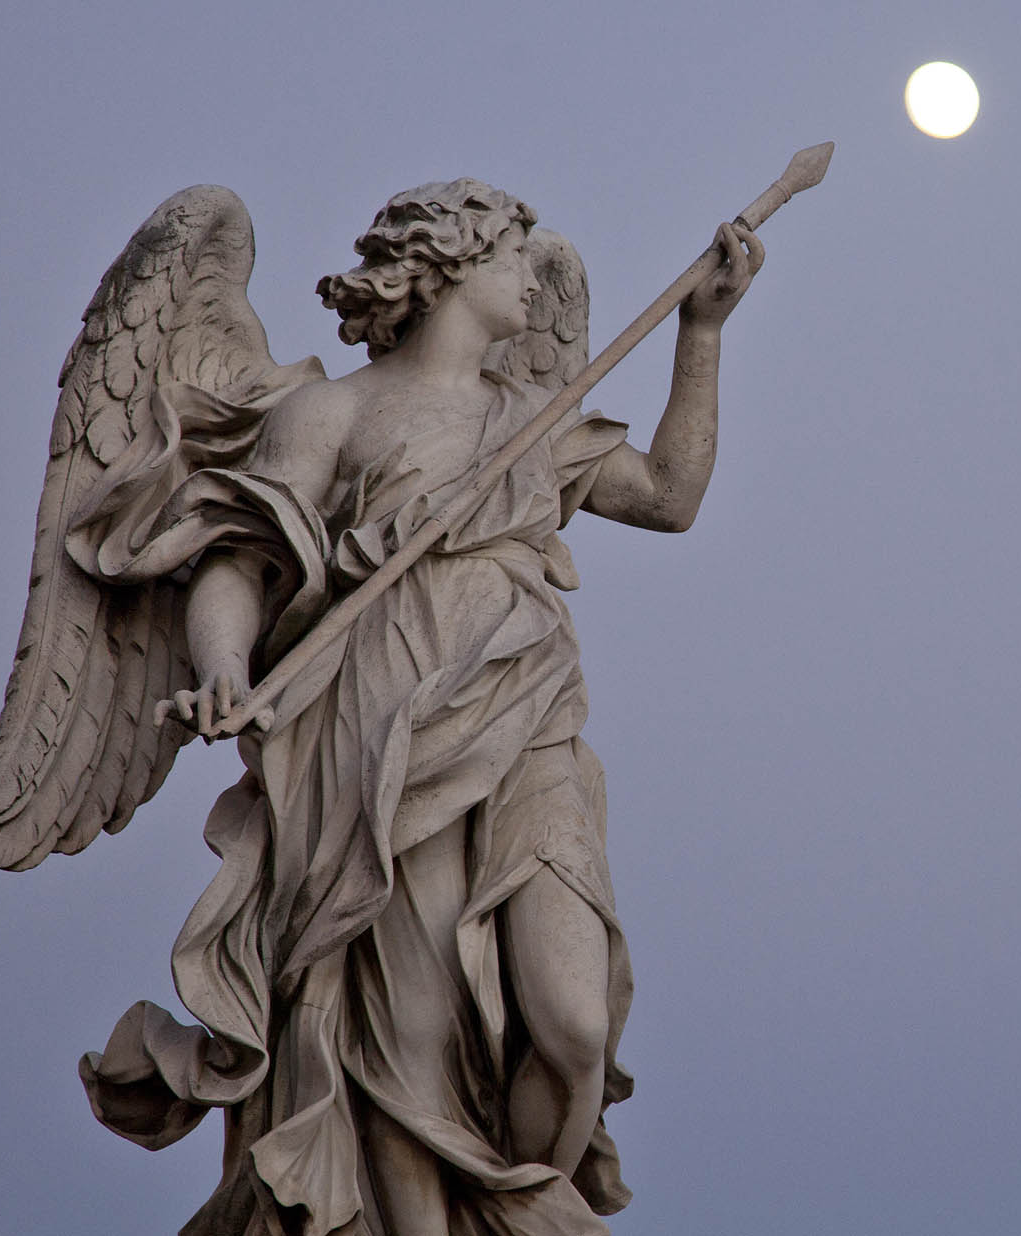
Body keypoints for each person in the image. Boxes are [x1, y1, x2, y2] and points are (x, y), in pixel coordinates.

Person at [76, 179, 762, 1236]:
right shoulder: (332, 412)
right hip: (380, 733)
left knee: (574, 1025)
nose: (534, 277)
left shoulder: (533, 418)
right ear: (447, 267)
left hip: (528, 719)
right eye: (513, 256)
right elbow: (236, 562)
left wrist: (702, 334)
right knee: (413, 1038)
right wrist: (222, 667)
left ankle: (519, 1211)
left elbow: (671, 496)